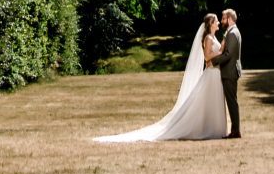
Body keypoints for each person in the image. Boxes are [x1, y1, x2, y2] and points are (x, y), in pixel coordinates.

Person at [94, 12, 231, 142]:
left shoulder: (213, 37)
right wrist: (220, 52)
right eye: (216, 21)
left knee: (212, 102)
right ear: (211, 23)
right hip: (211, 73)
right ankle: (206, 129)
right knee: (205, 102)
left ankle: (213, 129)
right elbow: (207, 57)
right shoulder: (208, 38)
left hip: (215, 74)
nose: (219, 22)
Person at [216, 8, 244, 138]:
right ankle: (235, 130)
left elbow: (228, 55)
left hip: (230, 71)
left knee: (232, 101)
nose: (222, 21)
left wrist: (213, 60)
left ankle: (235, 131)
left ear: (230, 19)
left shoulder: (233, 33)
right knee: (231, 101)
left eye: (223, 18)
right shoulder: (231, 32)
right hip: (230, 71)